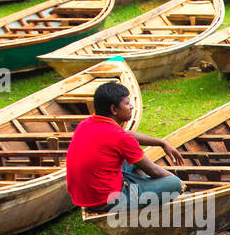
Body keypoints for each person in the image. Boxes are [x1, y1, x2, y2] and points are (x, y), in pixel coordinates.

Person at [65, 81, 184, 217]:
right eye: (127, 103)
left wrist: (161, 143)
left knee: (131, 159)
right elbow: (154, 170)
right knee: (173, 183)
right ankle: (143, 187)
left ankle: (141, 183)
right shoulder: (120, 138)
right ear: (114, 109)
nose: (132, 106)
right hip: (107, 201)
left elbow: (126, 133)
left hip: (85, 197)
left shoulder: (86, 123)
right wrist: (180, 185)